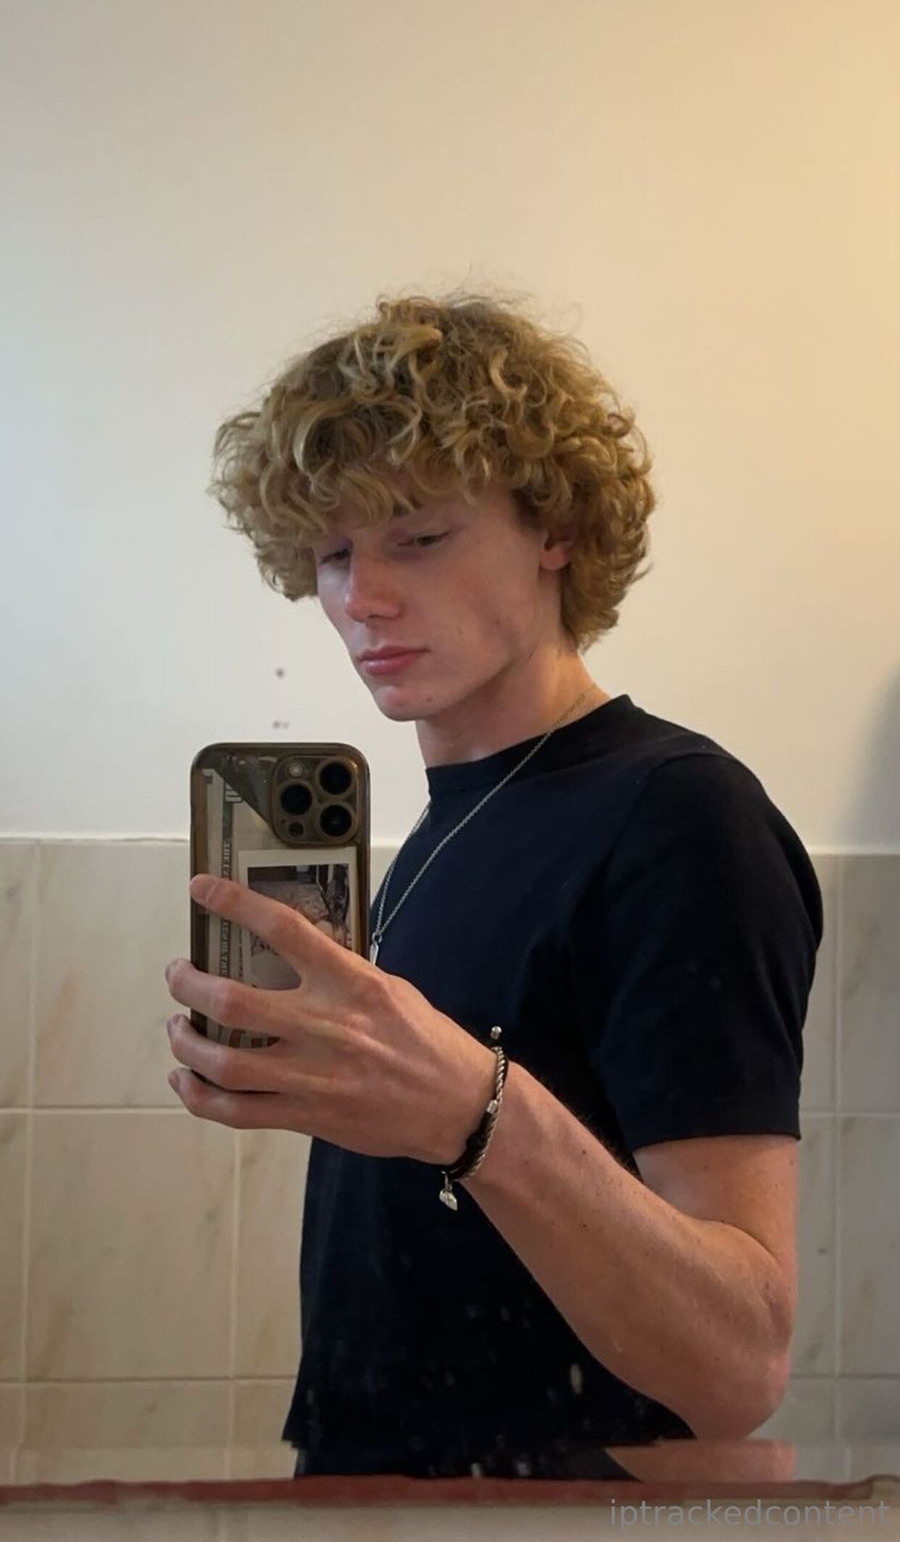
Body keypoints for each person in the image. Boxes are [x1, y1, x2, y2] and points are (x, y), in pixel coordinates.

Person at [165, 289, 823, 1479]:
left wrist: (476, 1115)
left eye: (417, 537)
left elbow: (739, 1363)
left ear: (554, 527)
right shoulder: (450, 822)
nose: (362, 597)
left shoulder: (679, 818)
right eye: (332, 554)